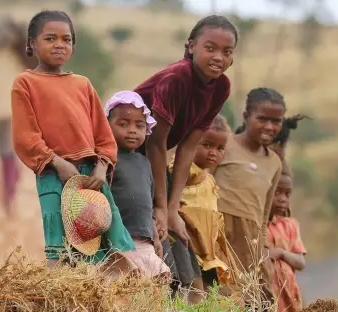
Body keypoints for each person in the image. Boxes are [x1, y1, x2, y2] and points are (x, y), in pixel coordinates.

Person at [11, 10, 134, 268]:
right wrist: (56, 162)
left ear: (73, 46)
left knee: (105, 239)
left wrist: (101, 168)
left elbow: (103, 134)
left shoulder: (83, 84)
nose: (59, 45)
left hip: (91, 176)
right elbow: (26, 136)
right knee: (60, 245)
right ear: (32, 43)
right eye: (50, 38)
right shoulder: (25, 83)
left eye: (66, 39)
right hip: (53, 173)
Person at [134, 15, 238, 301]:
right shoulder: (178, 77)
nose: (218, 57)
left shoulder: (221, 87)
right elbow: (155, 142)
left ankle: (190, 299)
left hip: (154, 158)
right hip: (129, 155)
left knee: (177, 227)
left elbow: (187, 148)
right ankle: (156, 295)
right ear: (191, 46)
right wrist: (160, 204)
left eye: (227, 52)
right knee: (152, 227)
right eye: (210, 48)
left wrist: (171, 205)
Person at [214, 87, 285, 303]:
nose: (270, 127)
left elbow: (263, 215)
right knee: (222, 294)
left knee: (255, 299)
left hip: (251, 241)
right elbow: (202, 184)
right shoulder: (224, 143)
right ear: (246, 117)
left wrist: (263, 249)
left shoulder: (274, 162)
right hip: (220, 234)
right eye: (262, 119)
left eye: (276, 121)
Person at [168, 115, 239, 293]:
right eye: (207, 145)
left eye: (220, 148)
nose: (213, 152)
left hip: (206, 245)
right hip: (188, 240)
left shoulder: (209, 179)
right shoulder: (184, 169)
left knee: (210, 291)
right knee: (192, 289)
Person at [104, 90, 170, 278]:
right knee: (124, 285)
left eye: (139, 126)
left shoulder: (145, 162)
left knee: (159, 279)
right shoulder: (107, 160)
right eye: (123, 124)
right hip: (117, 240)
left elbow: (147, 206)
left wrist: (155, 238)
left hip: (144, 241)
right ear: (107, 126)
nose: (132, 130)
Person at [267, 166, 306, 312]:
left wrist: (281, 253)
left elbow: (300, 262)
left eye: (287, 194)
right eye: (277, 193)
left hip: (289, 296)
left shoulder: (290, 225)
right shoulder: (254, 227)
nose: (283, 199)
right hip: (265, 296)